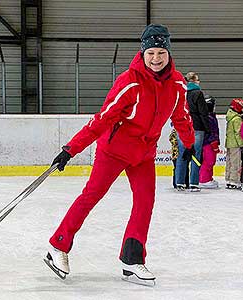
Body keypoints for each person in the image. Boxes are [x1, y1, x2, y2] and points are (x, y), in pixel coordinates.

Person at [44, 24, 195, 285]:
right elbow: (102, 119)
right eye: (151, 54)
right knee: (92, 195)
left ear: (168, 53)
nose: (156, 59)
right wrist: (71, 148)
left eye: (161, 52)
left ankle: (132, 259)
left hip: (144, 153)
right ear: (143, 53)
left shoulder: (178, 84)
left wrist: (189, 142)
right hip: (114, 150)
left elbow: (181, 115)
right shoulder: (129, 82)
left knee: (145, 201)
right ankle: (58, 246)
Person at [175, 72, 210, 192]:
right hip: (197, 126)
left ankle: (180, 182)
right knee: (196, 154)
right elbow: (203, 112)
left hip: (183, 126)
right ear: (194, 81)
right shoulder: (198, 93)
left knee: (182, 154)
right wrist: (207, 128)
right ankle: (194, 183)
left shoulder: (181, 93)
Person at [198, 95, 220, 188]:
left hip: (211, 142)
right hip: (208, 143)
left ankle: (209, 178)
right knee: (208, 161)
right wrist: (214, 143)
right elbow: (210, 131)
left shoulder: (211, 116)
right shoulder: (208, 118)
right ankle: (203, 179)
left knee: (211, 161)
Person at [224, 98, 243, 189]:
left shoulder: (230, 116)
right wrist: (241, 144)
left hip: (229, 144)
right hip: (235, 144)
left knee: (229, 162)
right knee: (236, 163)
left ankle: (228, 179)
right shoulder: (237, 119)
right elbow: (238, 133)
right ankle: (234, 181)